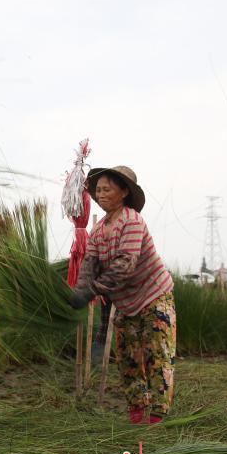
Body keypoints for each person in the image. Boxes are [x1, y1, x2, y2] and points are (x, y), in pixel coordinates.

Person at [68, 166, 176, 425]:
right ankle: (137, 414)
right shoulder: (98, 231)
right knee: (128, 358)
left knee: (157, 355)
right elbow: (90, 265)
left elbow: (125, 264)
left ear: (124, 192)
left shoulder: (132, 220)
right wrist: (80, 290)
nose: (100, 194)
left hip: (154, 296)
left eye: (107, 189)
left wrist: (91, 291)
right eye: (98, 190)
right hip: (125, 303)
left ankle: (158, 419)